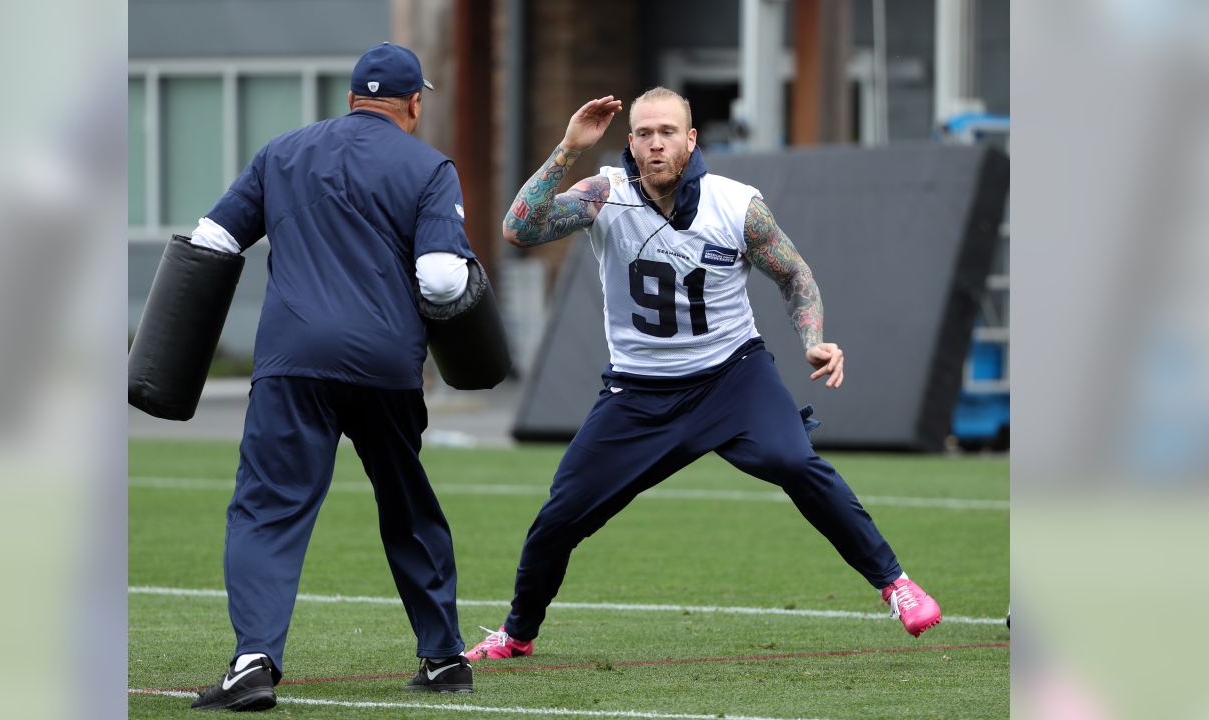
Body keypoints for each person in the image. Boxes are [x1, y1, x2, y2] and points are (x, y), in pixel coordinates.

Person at [464, 87, 941, 662]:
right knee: (561, 514)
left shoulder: (735, 204)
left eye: (668, 131)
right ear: (631, 144)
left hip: (730, 379)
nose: (656, 143)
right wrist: (568, 147)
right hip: (638, 392)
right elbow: (520, 228)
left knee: (795, 461)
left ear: (691, 140)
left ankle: (895, 582)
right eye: (644, 133)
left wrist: (813, 341)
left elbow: (795, 275)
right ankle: (518, 634)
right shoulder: (605, 195)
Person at [187, 43, 477, 711]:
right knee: (407, 504)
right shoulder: (430, 166)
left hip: (295, 362)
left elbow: (212, 240)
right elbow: (440, 279)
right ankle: (443, 658)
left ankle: (255, 660)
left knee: (268, 508)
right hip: (387, 363)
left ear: (350, 99)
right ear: (413, 105)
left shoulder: (281, 153)